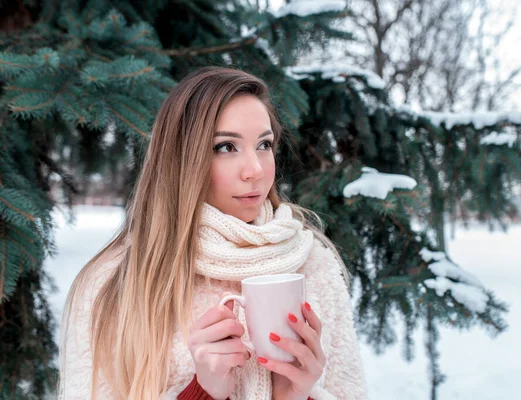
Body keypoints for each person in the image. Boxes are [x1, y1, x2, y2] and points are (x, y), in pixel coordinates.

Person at [58, 67, 368, 400]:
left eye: (264, 144)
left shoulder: (313, 264)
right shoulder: (114, 283)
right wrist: (203, 393)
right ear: (181, 160)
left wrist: (296, 396)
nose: (256, 170)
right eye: (225, 147)